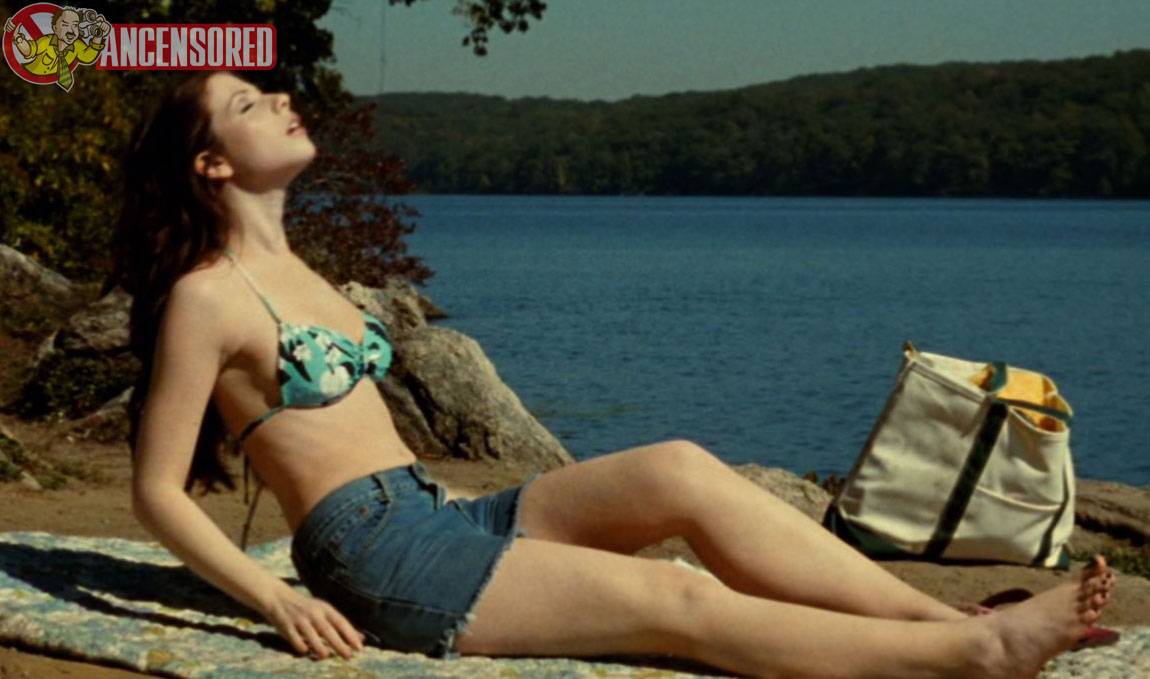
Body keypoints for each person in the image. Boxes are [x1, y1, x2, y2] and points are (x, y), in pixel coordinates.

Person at [103, 70, 1117, 679]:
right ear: (211, 165)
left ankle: (944, 618)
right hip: (374, 555)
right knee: (671, 598)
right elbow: (156, 491)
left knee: (678, 467)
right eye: (249, 103)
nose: (283, 98)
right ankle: (974, 657)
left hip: (437, 516)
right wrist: (274, 600)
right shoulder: (206, 295)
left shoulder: (301, 268)